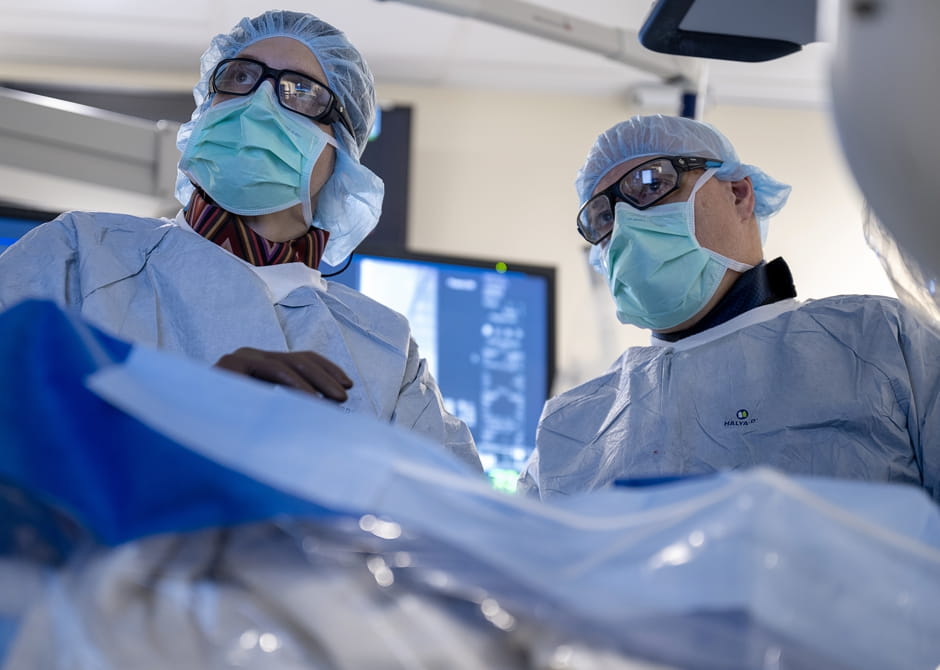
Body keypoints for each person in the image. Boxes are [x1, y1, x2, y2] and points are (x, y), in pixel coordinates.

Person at [0, 10, 481, 472]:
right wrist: (185, 421)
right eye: (239, 77)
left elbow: (453, 525)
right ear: (206, 111)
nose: (259, 104)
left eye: (300, 92)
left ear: (341, 155)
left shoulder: (386, 353)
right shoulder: (79, 254)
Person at [518, 114, 940, 501]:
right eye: (602, 216)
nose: (625, 225)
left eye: (651, 185)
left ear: (739, 195)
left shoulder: (880, 343)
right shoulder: (570, 426)